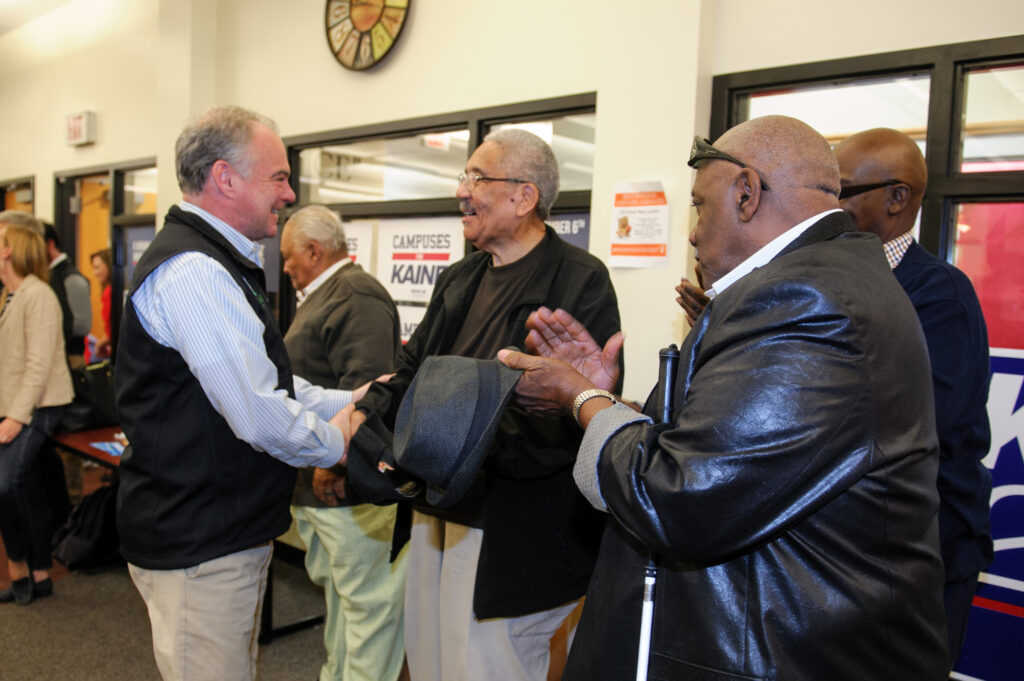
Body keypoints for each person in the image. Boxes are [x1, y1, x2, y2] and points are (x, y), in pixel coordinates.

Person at [498, 115, 949, 680]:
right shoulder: (819, 281)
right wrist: (612, 399)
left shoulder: (807, 298)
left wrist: (582, 398)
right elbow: (724, 448)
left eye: (698, 206)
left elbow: (681, 494)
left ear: (746, 192)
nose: (690, 233)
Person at [345, 128, 622, 681]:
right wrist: (367, 413)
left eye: (477, 177)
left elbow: (571, 409)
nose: (461, 190)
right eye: (463, 175)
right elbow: (413, 370)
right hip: (436, 506)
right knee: (430, 663)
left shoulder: (579, 279)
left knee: (488, 668)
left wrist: (443, 444)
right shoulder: (459, 276)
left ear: (525, 197)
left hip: (512, 526)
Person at [114, 105, 363, 681]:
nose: (290, 191)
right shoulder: (195, 271)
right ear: (225, 178)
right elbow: (256, 413)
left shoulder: (218, 262)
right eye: (277, 176)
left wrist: (345, 397)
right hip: (201, 544)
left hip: (220, 534)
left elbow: (266, 381)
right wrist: (338, 443)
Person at [834, 127, 993, 669]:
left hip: (927, 553)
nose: (830, 206)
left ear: (897, 198)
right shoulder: (848, 280)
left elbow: (917, 421)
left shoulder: (940, 293)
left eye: (843, 190)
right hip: (865, 552)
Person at [280, 204, 407, 681]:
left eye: (291, 256)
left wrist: (333, 464)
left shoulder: (354, 296)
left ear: (314, 250)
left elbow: (369, 391)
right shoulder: (324, 295)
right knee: (343, 602)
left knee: (369, 612)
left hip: (347, 492)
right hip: (324, 494)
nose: (286, 266)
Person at [0, 212, 75, 606]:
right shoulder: (9, 294)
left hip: (38, 406)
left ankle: (19, 565)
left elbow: (38, 364)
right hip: (15, 403)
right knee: (22, 487)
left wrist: (16, 416)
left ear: (9, 250)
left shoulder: (39, 294)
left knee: (8, 484)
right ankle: (38, 573)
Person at [44, 224, 92, 368]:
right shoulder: (48, 274)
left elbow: (82, 326)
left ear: (50, 244)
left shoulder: (70, 277)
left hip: (71, 359)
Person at [85, 247, 112, 363]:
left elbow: (112, 330)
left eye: (97, 268)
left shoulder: (109, 293)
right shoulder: (111, 291)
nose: (94, 273)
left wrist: (99, 344)